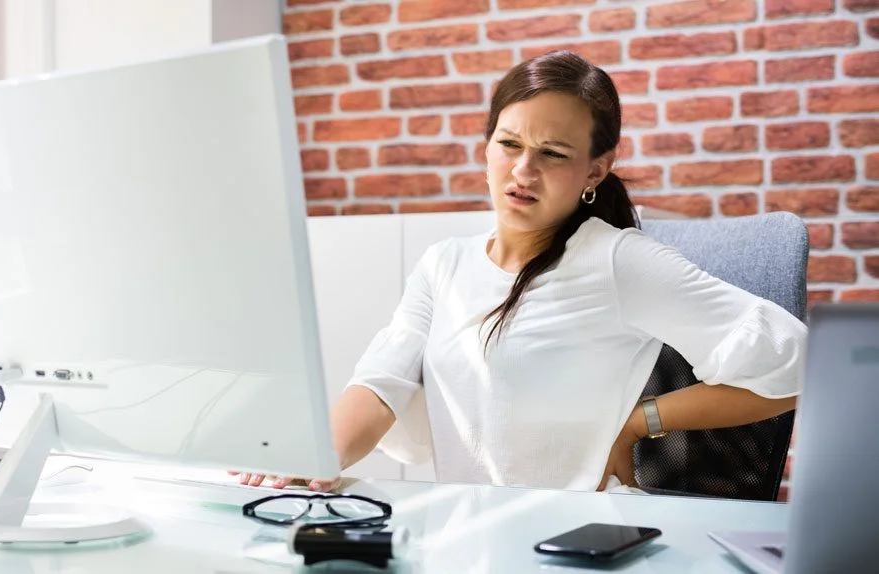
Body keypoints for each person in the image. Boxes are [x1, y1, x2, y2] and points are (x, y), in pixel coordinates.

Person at [234, 50, 805, 493]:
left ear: (595, 169)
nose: (523, 170)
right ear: (485, 149)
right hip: (469, 529)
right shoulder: (444, 264)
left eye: (553, 153)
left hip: (576, 538)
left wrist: (641, 420)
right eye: (509, 144)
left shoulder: (616, 259)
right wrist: (313, 460)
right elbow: (381, 383)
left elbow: (797, 364)